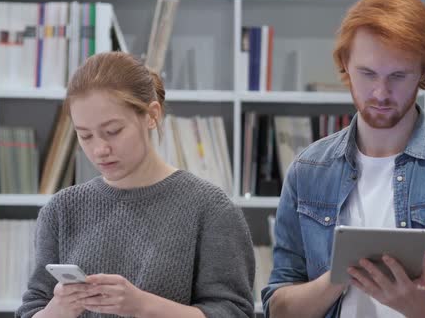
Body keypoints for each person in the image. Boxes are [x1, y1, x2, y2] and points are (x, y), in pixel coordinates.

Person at [261, 0, 425, 318]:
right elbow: (278, 307)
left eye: (398, 75)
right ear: (345, 65)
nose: (381, 93)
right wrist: (340, 276)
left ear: (424, 71)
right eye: (367, 74)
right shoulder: (308, 170)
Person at [16, 52, 255, 318]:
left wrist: (141, 305)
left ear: (152, 115)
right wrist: (59, 309)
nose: (99, 149)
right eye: (85, 136)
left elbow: (233, 313)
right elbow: (32, 308)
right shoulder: (62, 209)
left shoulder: (210, 208)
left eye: (113, 131)